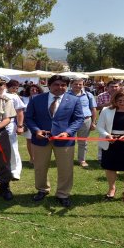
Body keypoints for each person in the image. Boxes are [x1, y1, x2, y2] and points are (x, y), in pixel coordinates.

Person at [25, 74, 84, 207]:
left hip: (64, 140)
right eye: (56, 84)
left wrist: (68, 132)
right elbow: (29, 118)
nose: (60, 87)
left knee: (65, 168)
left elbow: (79, 119)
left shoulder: (74, 100)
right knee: (40, 167)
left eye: (63, 85)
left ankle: (63, 193)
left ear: (67, 86)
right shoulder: (36, 99)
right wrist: (36, 130)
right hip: (40, 139)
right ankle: (42, 189)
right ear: (49, 85)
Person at [0, 79, 26, 180]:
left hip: (9, 126)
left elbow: (20, 112)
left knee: (12, 148)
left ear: (5, 86)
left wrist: (20, 126)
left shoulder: (13, 97)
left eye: (1, 84)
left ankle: (15, 170)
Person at [67, 79, 97, 168]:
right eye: (75, 84)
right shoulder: (66, 95)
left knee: (83, 142)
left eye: (80, 84)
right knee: (68, 141)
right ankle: (68, 160)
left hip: (85, 120)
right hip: (70, 121)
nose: (78, 86)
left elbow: (93, 109)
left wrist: (93, 122)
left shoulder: (88, 95)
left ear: (83, 85)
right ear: (71, 85)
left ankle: (82, 160)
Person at [20, 84, 44, 162]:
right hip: (27, 122)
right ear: (28, 91)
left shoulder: (42, 98)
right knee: (29, 140)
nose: (34, 91)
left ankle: (39, 157)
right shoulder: (23, 99)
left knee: (38, 140)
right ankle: (32, 158)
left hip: (38, 122)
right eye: (32, 90)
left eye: (36, 90)